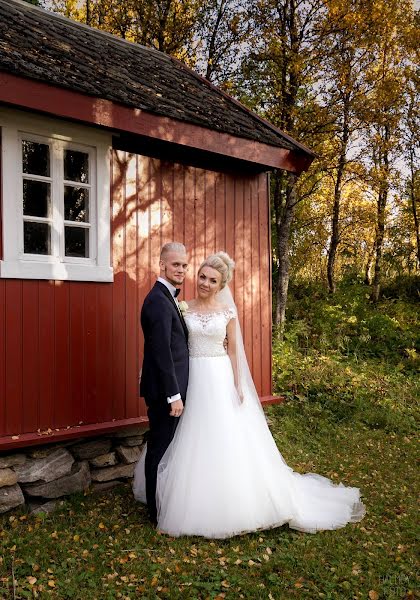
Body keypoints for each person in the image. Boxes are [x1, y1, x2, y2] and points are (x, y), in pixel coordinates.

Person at [134, 251, 366, 538]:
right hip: (191, 378)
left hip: (217, 377)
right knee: (191, 436)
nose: (205, 283)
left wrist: (237, 385)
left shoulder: (227, 312)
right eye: (202, 277)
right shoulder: (183, 307)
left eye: (212, 280)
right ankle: (190, 494)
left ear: (222, 285)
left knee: (223, 436)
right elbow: (166, 345)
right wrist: (150, 370)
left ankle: (231, 499)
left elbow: (233, 352)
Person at [138, 242, 189, 524]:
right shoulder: (158, 301)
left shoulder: (166, 297)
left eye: (184, 265)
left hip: (167, 387)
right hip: (166, 393)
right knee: (158, 448)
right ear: (162, 265)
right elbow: (161, 352)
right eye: (175, 265)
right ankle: (155, 513)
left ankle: (160, 502)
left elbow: (160, 344)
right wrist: (173, 395)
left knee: (164, 446)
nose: (180, 269)